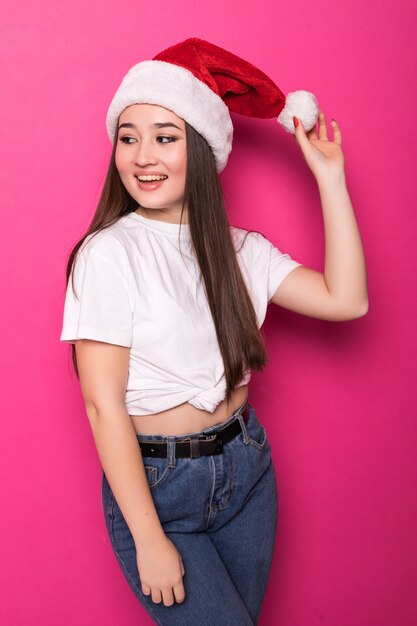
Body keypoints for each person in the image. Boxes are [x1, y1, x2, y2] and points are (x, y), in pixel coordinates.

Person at [59, 38, 368, 626]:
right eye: (129, 138)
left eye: (165, 137)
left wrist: (330, 179)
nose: (142, 156)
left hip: (247, 470)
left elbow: (346, 300)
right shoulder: (108, 254)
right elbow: (102, 406)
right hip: (159, 488)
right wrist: (148, 538)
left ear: (200, 150)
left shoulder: (240, 250)